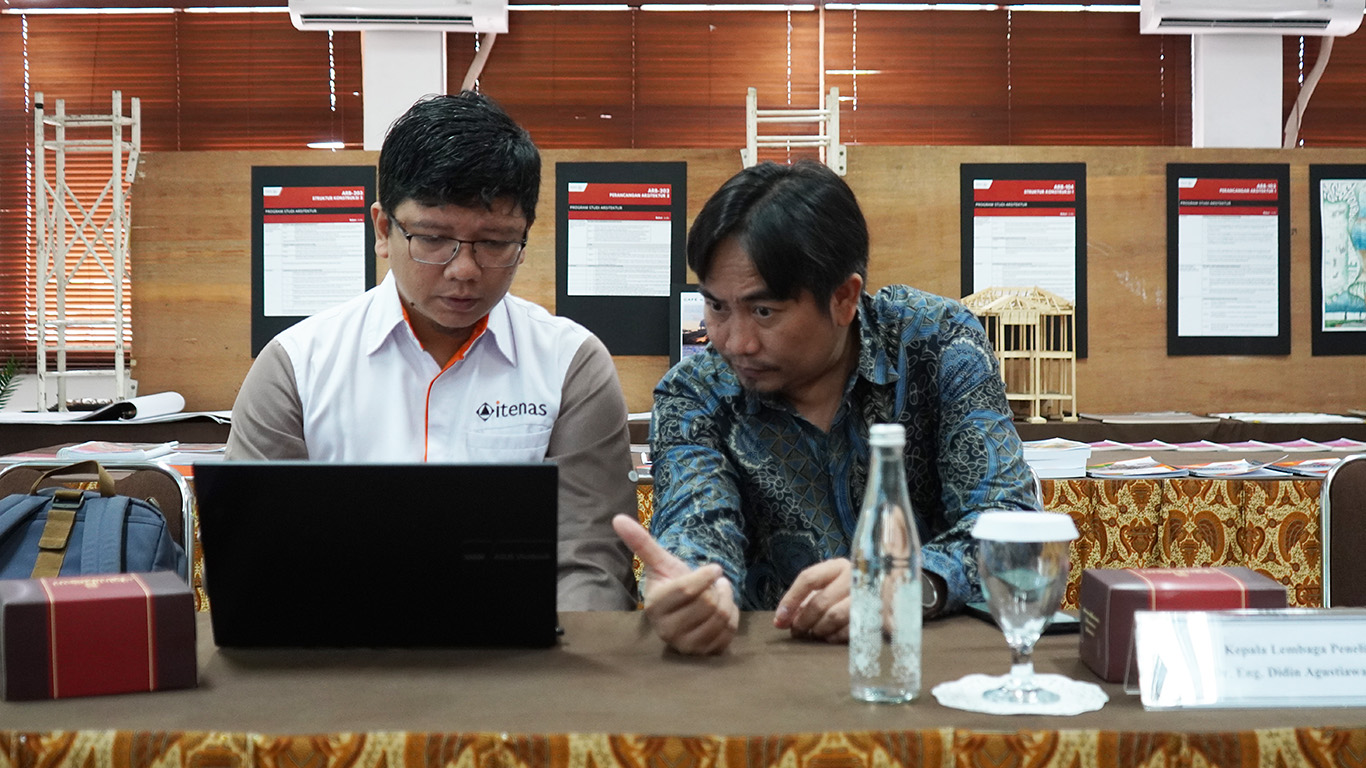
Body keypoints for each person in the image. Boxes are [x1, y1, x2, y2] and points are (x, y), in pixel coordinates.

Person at [228, 91, 635, 611]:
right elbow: (256, 557)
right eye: (433, 238)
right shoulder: (296, 366)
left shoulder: (570, 363)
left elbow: (591, 562)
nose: (464, 269)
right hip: (340, 648)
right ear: (383, 230)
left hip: (522, 650)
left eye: (495, 243)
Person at [614, 160, 1038, 654]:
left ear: (843, 298)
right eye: (717, 307)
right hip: (766, 672)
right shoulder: (696, 394)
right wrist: (697, 593)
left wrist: (908, 584)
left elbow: (1011, 527)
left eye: (764, 311)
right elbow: (696, 527)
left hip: (928, 664)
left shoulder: (938, 344)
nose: (735, 343)